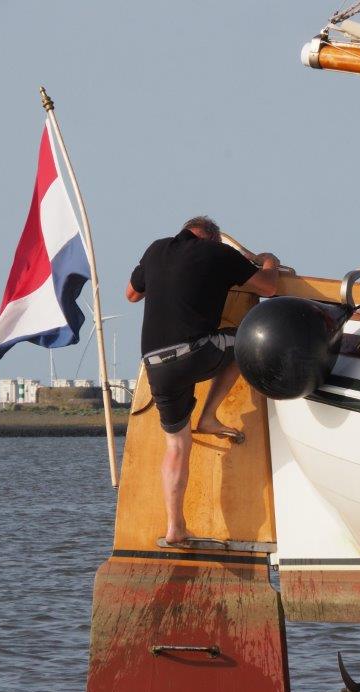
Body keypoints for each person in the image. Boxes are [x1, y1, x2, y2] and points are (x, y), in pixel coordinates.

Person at [126, 215, 280, 547]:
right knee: (245, 341)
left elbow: (131, 295)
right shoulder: (218, 252)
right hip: (194, 352)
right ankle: (209, 415)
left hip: (155, 364)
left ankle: (175, 528)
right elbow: (269, 287)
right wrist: (269, 261)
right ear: (211, 237)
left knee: (176, 446)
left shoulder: (155, 249)